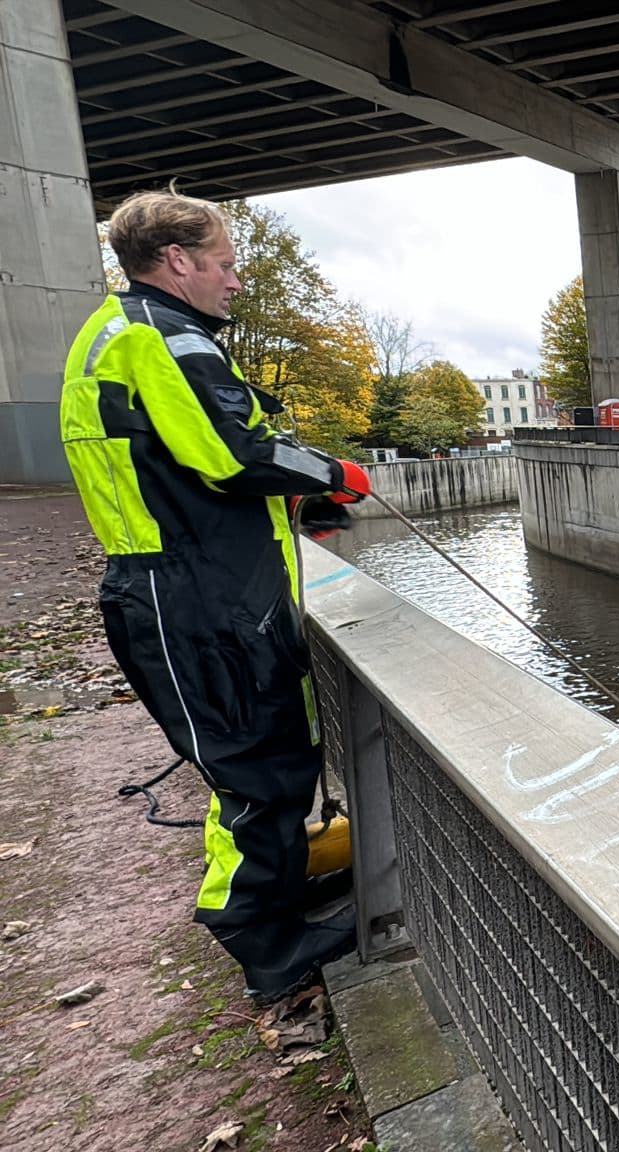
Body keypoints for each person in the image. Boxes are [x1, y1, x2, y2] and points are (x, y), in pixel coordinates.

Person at [61, 189, 373, 1003]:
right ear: (179, 261)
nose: (234, 282)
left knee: (255, 760)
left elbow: (182, 461)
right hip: (197, 599)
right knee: (256, 769)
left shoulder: (121, 334)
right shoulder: (164, 337)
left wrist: (296, 504)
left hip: (189, 588)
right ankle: (267, 944)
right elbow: (235, 452)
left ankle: (268, 901)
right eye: (226, 265)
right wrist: (336, 474)